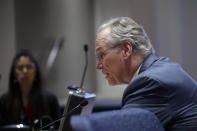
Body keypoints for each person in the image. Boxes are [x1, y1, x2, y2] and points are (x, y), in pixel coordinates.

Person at [95, 17, 197, 131]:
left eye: (101, 55)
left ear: (126, 50)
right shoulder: (160, 67)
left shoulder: (150, 83)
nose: (98, 66)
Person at [0, 50, 61, 129]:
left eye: (29, 67)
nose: (25, 71)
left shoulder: (50, 99)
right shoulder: (4, 100)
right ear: (14, 74)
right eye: (20, 68)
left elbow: (58, 127)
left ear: (35, 72)